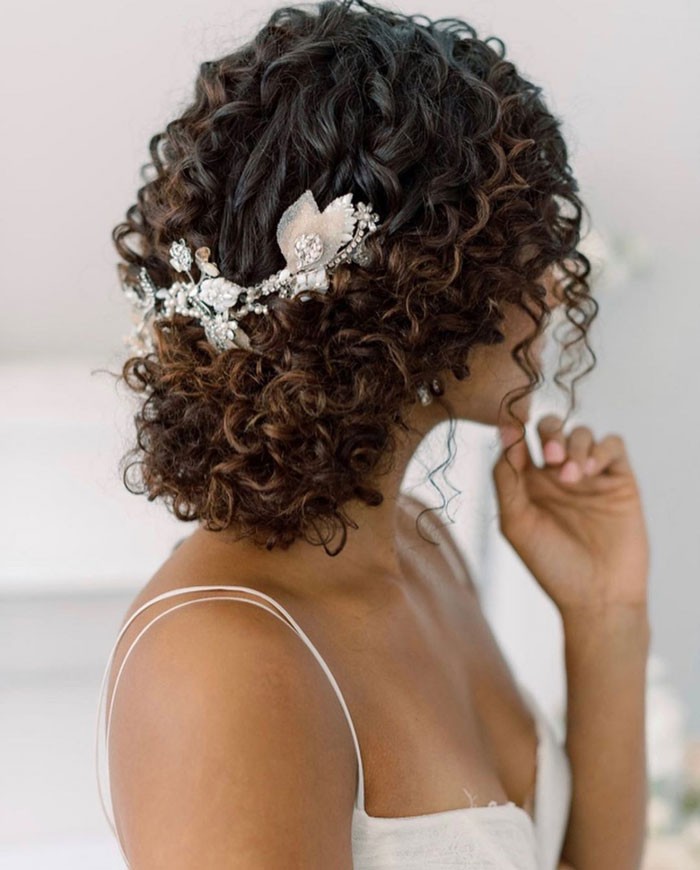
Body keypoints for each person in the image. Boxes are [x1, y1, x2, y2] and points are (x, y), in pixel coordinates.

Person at [96, 1, 650, 867]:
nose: (553, 288)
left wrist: (606, 615)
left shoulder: (423, 547)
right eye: (524, 243)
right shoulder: (220, 665)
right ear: (418, 292)